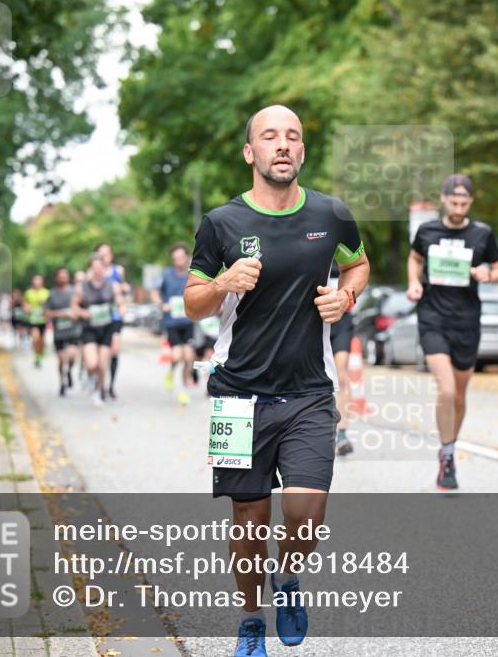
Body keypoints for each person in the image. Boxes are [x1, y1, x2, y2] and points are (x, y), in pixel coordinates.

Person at [184, 105, 369, 657]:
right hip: (236, 396)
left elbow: (357, 265)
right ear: (251, 152)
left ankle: (287, 580)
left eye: (292, 137)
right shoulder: (221, 224)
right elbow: (193, 304)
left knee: (305, 512)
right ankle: (249, 620)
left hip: (310, 392)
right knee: (249, 517)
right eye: (270, 136)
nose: (282, 145)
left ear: (302, 152)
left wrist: (347, 294)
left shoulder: (331, 214)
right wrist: (222, 282)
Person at [406, 174, 498, 491]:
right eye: (454, 201)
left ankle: (448, 447)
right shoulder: (427, 231)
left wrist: (487, 274)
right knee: (446, 390)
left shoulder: (482, 234)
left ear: (470, 203)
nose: (459, 207)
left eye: (465, 202)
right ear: (444, 200)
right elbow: (414, 258)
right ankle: (447, 456)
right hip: (433, 317)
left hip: (467, 320)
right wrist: (414, 282)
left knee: (460, 396)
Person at [74, 255, 126, 407]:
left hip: (106, 328)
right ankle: (91, 379)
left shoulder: (112, 286)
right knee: (92, 364)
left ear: (104, 269)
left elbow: (120, 302)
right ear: (90, 269)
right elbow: (74, 306)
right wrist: (83, 313)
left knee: (102, 365)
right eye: (94, 268)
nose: (97, 271)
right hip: (89, 328)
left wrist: (122, 309)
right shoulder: (82, 287)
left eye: (100, 267)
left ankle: (99, 391)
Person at [153, 244, 197, 405]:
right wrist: (161, 303)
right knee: (178, 355)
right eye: (175, 257)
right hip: (171, 322)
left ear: (186, 257)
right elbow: (155, 292)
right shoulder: (166, 275)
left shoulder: (192, 274)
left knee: (188, 357)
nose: (178, 260)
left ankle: (184, 387)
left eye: (181, 256)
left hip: (188, 320)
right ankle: (172, 372)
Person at [328, 264, 355, 456]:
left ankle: (343, 433)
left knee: (341, 374)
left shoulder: (343, 243)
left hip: (341, 321)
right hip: (313, 319)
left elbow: (358, 271)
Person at [95, 243, 128, 399]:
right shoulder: (92, 272)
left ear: (111, 255)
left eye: (106, 253)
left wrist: (124, 292)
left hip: (114, 316)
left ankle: (111, 386)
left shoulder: (118, 270)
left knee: (114, 350)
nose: (104, 257)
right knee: (100, 354)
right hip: (98, 317)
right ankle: (99, 383)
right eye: (101, 254)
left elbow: (123, 288)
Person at [44, 268, 82, 397]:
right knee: (60, 361)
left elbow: (81, 308)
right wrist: (62, 314)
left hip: (73, 330)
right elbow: (46, 313)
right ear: (56, 278)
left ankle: (69, 371)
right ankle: (62, 382)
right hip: (59, 332)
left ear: (68, 277)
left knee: (71, 356)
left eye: (64, 276)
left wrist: (75, 315)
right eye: (60, 276)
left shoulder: (74, 292)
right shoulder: (52, 294)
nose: (62, 278)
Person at [23, 275, 50, 368]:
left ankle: (40, 352)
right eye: (35, 281)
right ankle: (37, 356)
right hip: (33, 320)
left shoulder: (46, 292)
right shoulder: (28, 293)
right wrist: (27, 308)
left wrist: (44, 303)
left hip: (43, 320)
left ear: (42, 282)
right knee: (36, 338)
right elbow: (25, 305)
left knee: (42, 340)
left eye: (38, 281)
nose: (36, 283)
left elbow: (50, 305)